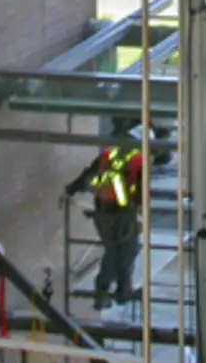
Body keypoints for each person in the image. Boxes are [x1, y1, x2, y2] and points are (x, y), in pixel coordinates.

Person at [62, 130, 146, 308]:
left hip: (103, 212)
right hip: (123, 214)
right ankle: (116, 291)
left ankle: (112, 291)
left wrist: (70, 190)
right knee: (126, 251)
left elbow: (88, 174)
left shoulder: (108, 154)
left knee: (115, 250)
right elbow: (141, 192)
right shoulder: (139, 160)